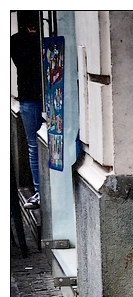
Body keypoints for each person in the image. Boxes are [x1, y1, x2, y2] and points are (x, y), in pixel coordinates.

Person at [11, 12, 43, 209]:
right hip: (29, 97)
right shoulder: (16, 41)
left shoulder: (45, 37)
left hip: (45, 96)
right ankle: (39, 191)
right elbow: (26, 64)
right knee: (33, 146)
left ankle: (42, 190)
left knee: (35, 146)